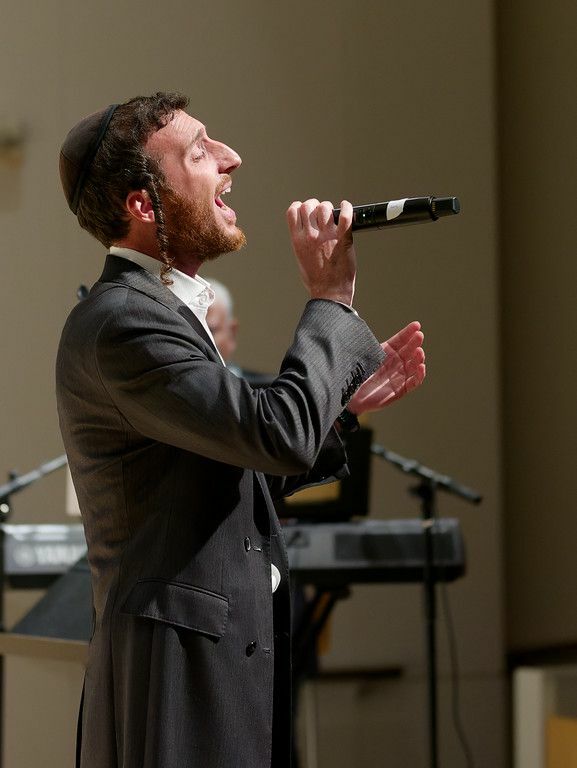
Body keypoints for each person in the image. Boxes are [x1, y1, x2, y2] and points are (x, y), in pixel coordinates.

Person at [56, 92, 426, 768]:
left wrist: (339, 412)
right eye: (200, 152)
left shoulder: (157, 311)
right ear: (143, 204)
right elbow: (274, 435)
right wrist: (329, 300)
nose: (232, 159)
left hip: (217, 665)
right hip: (179, 676)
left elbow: (222, 479)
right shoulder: (122, 320)